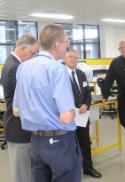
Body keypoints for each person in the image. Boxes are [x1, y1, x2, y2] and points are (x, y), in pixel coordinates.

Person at [12, 24, 82, 182]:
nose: (67, 45)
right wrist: (72, 112)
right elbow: (65, 117)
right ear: (57, 44)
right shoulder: (57, 69)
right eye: (66, 42)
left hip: (36, 142)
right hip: (60, 143)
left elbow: (16, 110)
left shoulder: (22, 68)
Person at [1, 34, 39, 182]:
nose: (34, 57)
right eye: (33, 53)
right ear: (22, 48)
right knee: (21, 173)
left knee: (25, 170)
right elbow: (24, 100)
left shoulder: (14, 64)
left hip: (20, 126)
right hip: (18, 128)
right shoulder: (14, 68)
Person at [63, 48, 102, 178]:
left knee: (85, 142)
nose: (73, 60)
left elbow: (87, 94)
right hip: (68, 117)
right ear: (64, 58)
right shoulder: (60, 74)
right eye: (70, 57)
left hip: (82, 116)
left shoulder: (81, 74)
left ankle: (88, 168)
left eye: (75, 57)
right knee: (68, 145)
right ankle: (70, 171)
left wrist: (86, 104)